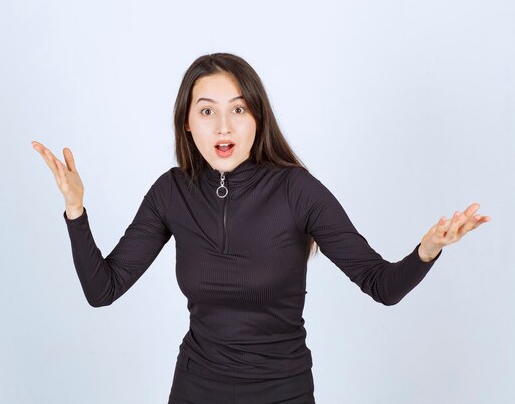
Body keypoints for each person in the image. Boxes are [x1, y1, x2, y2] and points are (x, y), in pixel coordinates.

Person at [32, 52, 491, 404]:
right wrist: (76, 209)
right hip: (196, 388)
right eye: (207, 111)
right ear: (188, 124)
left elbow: (382, 285)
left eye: (239, 109)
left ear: (257, 118)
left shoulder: (297, 191)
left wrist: (428, 249)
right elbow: (103, 289)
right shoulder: (170, 193)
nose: (224, 126)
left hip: (283, 391)